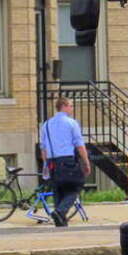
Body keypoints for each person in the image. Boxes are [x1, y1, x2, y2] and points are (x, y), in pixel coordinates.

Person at [39, 97, 91, 227]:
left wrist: (46, 164)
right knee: (75, 186)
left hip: (52, 162)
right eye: (71, 106)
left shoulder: (46, 124)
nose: (72, 108)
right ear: (64, 106)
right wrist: (86, 162)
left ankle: (60, 221)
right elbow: (79, 144)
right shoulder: (71, 123)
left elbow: (43, 147)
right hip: (67, 160)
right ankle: (60, 211)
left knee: (59, 190)